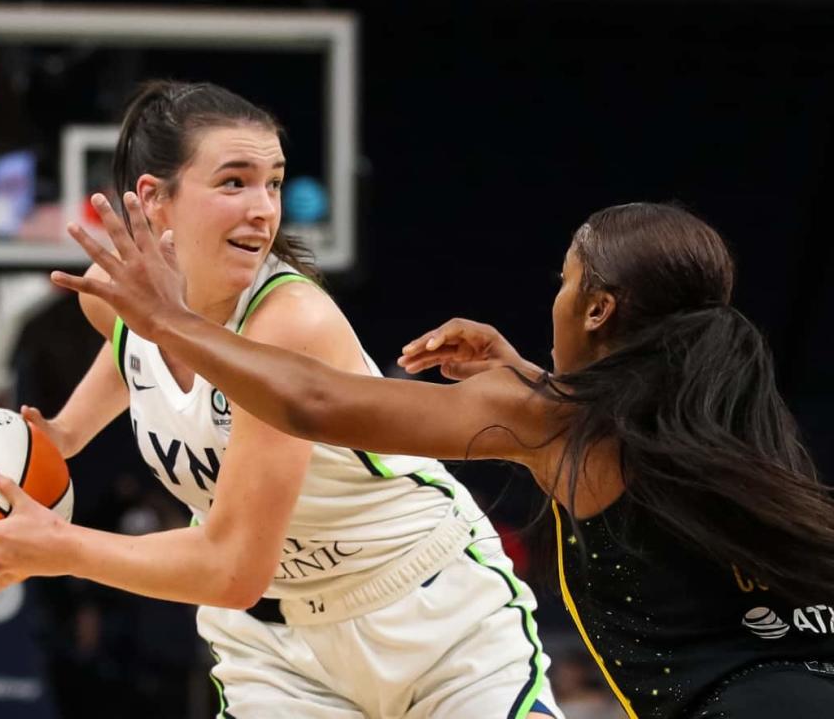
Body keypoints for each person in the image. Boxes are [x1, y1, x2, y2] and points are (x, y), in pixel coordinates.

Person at [48, 199, 834, 718]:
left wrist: (167, 320)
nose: (553, 298)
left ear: (597, 310)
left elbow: (315, 404)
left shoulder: (546, 418)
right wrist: (522, 374)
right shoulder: (728, 416)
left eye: (564, 283)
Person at [0, 80, 562, 719]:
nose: (264, 208)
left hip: (426, 613)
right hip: (277, 651)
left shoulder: (289, 321)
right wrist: (62, 435)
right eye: (235, 182)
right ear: (155, 200)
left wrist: (58, 548)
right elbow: (132, 350)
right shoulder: (110, 295)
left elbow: (233, 568)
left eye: (274, 183)